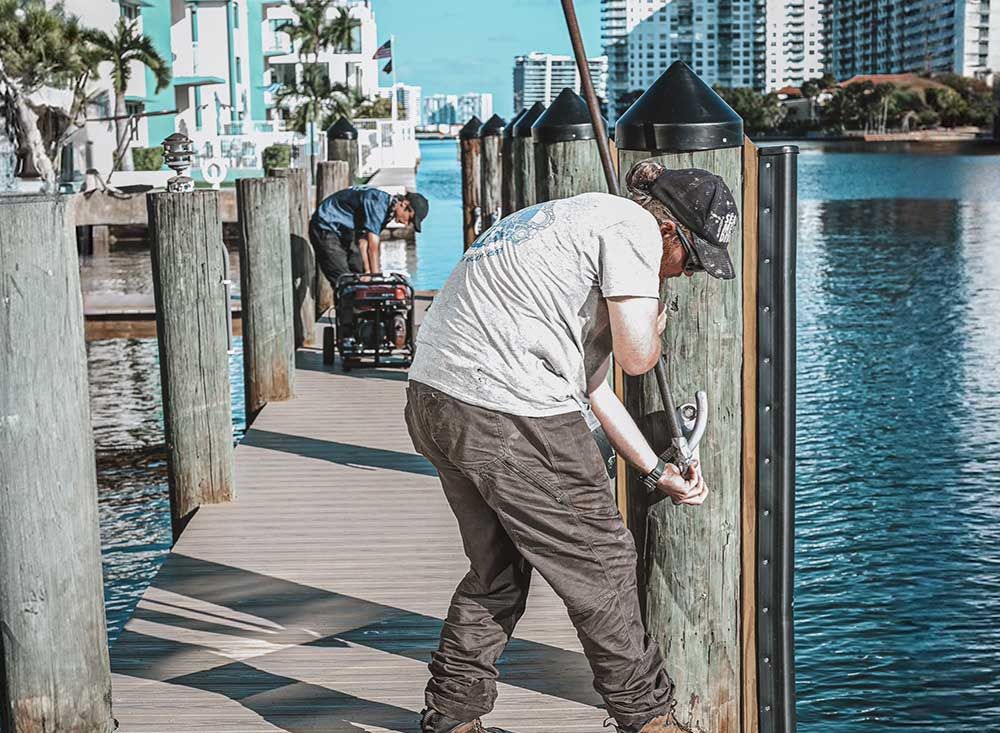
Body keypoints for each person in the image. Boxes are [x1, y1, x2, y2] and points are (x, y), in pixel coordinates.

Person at [404, 158, 740, 733]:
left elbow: (594, 388)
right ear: (669, 229)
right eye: (691, 260)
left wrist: (656, 470)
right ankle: (648, 720)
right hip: (510, 409)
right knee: (603, 562)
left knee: (497, 570)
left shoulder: (574, 222)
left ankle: (452, 716)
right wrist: (656, 319)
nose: (687, 274)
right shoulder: (634, 231)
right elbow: (638, 359)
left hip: (436, 398)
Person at [309, 186, 429, 283]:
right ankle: (348, 304)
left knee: (359, 271)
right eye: (410, 219)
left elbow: (363, 242)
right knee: (343, 279)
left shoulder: (388, 212)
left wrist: (367, 272)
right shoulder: (378, 204)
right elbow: (373, 247)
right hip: (325, 225)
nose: (407, 224)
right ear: (404, 204)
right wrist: (376, 278)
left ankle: (362, 303)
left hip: (344, 230)